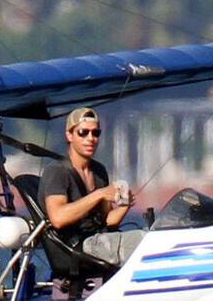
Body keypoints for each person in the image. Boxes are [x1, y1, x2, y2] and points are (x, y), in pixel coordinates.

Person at [41, 108, 144, 266]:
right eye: (83, 132)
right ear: (69, 135)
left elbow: (107, 220)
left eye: (95, 133)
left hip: (99, 240)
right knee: (143, 241)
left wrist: (125, 205)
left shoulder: (99, 171)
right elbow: (58, 218)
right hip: (76, 246)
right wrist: (99, 194)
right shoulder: (57, 172)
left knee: (149, 235)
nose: (90, 138)